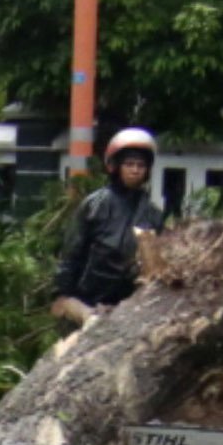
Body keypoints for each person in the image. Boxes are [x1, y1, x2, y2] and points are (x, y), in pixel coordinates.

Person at [51, 127, 163, 326]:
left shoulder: (152, 213)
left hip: (131, 305)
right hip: (89, 300)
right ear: (116, 166)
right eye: (129, 164)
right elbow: (72, 251)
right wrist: (62, 293)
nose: (135, 170)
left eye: (140, 165)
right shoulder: (95, 205)